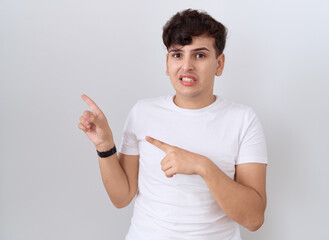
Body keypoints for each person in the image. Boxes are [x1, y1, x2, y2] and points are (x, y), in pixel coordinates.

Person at [78, 9, 267, 240]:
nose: (186, 66)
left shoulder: (243, 120)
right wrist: (105, 146)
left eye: (199, 55)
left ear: (219, 64)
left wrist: (202, 167)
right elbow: (121, 198)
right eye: (177, 55)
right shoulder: (142, 112)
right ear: (167, 63)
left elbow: (254, 219)